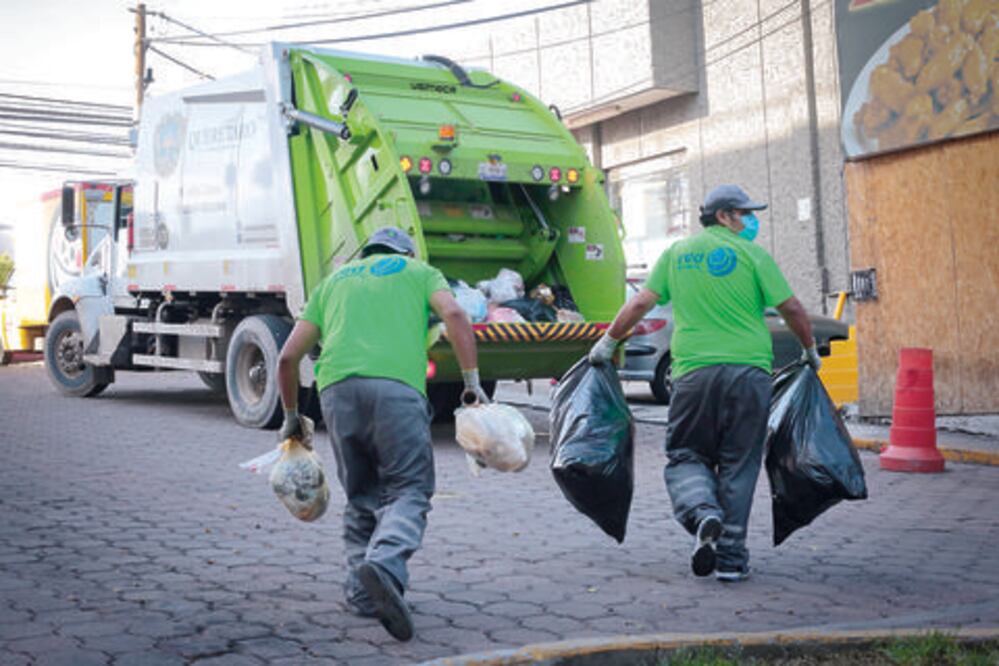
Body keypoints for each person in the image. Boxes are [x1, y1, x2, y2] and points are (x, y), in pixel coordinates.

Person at [589, 184, 821, 582]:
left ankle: (702, 511)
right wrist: (809, 350)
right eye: (744, 213)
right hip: (749, 373)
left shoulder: (677, 254)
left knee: (686, 454)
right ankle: (731, 558)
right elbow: (792, 308)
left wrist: (609, 341)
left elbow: (641, 302)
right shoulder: (753, 255)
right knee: (739, 461)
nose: (750, 221)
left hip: (694, 374)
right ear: (722, 216)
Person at [276, 227, 488, 641]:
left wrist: (290, 416)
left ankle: (362, 593)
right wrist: (471, 381)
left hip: (335, 392)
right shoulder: (420, 270)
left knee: (361, 495)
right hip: (396, 391)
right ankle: (386, 563)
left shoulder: (332, 282)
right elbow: (457, 315)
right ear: (405, 251)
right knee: (409, 490)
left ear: (367, 252)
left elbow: (287, 357)